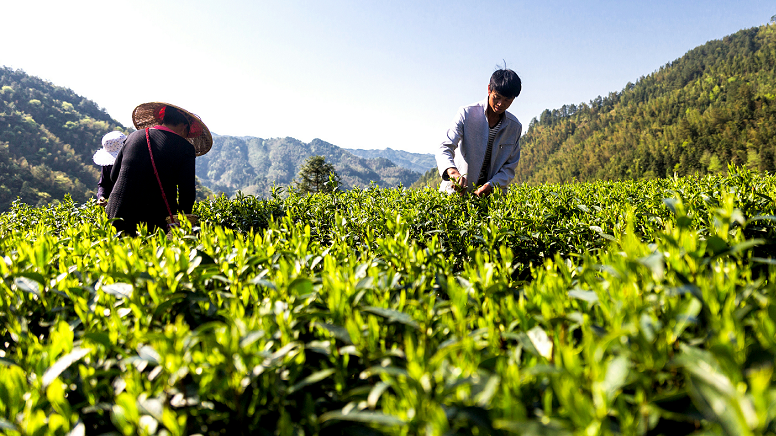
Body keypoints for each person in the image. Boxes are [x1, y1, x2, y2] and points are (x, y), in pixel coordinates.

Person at [106, 102, 212, 235]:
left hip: (116, 212)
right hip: (154, 217)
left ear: (163, 118)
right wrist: (184, 221)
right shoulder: (185, 148)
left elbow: (113, 176)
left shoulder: (133, 136)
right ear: (184, 126)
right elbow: (187, 192)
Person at [435, 68, 523, 197]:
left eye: (507, 100)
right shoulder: (466, 113)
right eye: (497, 97)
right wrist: (453, 172)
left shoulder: (514, 127)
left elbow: (509, 166)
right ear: (489, 89)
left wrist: (492, 185)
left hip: (491, 198)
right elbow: (444, 146)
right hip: (457, 193)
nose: (500, 104)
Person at [92, 131, 127, 206]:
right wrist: (101, 196)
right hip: (115, 205)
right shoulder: (108, 165)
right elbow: (103, 184)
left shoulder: (136, 161)